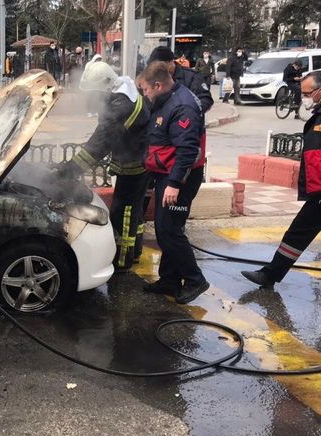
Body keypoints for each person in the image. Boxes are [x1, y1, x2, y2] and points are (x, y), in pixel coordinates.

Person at [56, 61, 150, 270]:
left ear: (104, 87)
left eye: (94, 93)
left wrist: (70, 169)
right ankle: (135, 252)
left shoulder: (121, 106)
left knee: (123, 212)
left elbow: (99, 144)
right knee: (134, 209)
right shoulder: (123, 91)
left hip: (134, 167)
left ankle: (122, 261)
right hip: (138, 161)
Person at [241, 71, 321, 288]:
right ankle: (270, 275)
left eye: (308, 93)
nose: (304, 98)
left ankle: (269, 275)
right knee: (298, 232)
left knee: (298, 232)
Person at [137, 61, 210, 304]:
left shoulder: (183, 106)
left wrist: (175, 183)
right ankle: (169, 279)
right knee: (165, 228)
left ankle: (195, 279)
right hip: (167, 173)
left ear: (158, 85)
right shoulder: (166, 98)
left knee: (169, 230)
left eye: (146, 90)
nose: (145, 94)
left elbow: (188, 150)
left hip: (180, 177)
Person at [148, 46, 213, 113]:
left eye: (157, 66)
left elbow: (205, 99)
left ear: (170, 62)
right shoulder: (152, 77)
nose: (155, 69)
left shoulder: (191, 76)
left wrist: (187, 112)